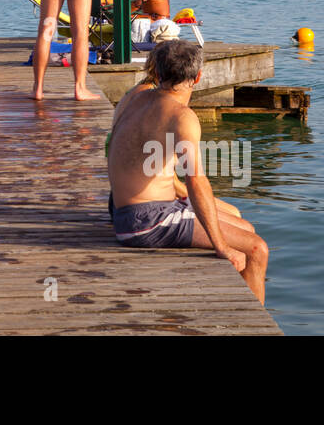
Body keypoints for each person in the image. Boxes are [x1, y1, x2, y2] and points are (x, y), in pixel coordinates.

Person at [107, 40, 269, 304]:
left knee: (245, 228)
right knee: (256, 249)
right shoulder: (182, 117)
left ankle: (234, 304)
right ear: (198, 77)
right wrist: (221, 247)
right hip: (147, 221)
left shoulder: (135, 97)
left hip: (122, 208)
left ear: (158, 74)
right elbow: (196, 181)